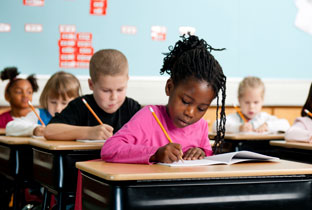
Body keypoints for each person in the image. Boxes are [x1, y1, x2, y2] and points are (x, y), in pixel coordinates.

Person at [101, 35, 226, 164]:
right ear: (169, 87)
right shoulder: (149, 116)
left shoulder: (201, 126)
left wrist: (201, 152)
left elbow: (207, 155)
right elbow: (109, 148)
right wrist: (155, 154)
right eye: (185, 101)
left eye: (201, 108)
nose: (190, 113)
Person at [44, 49, 141, 140]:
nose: (114, 97)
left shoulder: (132, 108)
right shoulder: (80, 105)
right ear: (91, 84)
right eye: (106, 90)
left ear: (127, 80)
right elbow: (49, 131)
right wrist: (89, 132)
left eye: (120, 89)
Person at [6, 71, 81, 136]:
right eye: (53, 102)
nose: (58, 108)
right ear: (46, 98)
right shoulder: (38, 114)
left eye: (64, 103)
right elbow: (10, 127)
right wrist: (35, 129)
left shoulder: (79, 116)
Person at [220, 76, 290, 133]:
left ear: (262, 101)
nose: (251, 107)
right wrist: (239, 128)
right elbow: (216, 125)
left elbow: (286, 125)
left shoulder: (264, 118)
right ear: (239, 100)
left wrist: (267, 126)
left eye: (256, 102)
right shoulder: (234, 119)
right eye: (247, 102)